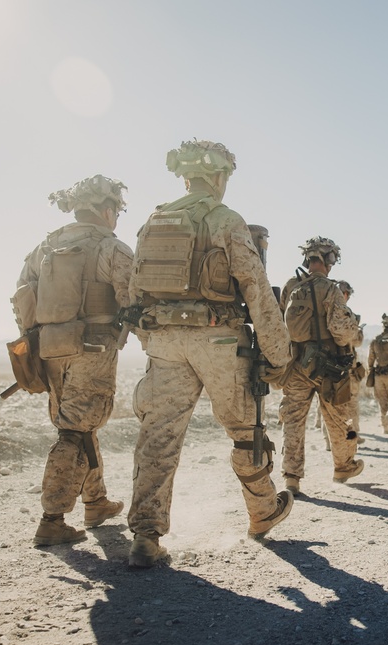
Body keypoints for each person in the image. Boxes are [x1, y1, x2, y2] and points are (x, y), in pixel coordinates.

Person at [126, 140, 293, 567]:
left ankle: (145, 535)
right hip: (218, 341)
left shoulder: (153, 220)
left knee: (158, 436)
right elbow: (255, 288)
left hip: (164, 342)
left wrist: (153, 340)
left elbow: (134, 292)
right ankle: (261, 512)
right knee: (243, 428)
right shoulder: (225, 220)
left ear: (186, 177)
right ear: (218, 178)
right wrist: (278, 353)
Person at [13, 175, 131, 546]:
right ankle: (52, 519)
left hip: (51, 351)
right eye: (117, 212)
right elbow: (133, 299)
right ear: (107, 209)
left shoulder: (45, 246)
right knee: (75, 431)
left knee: (79, 424)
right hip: (93, 351)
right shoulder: (112, 248)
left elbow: (21, 297)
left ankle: (95, 502)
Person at [279, 237, 364, 497]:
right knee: (338, 418)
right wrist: (354, 333)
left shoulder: (292, 286)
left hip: (297, 365)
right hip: (329, 366)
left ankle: (291, 478)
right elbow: (340, 331)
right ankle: (343, 467)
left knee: (293, 419)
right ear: (329, 259)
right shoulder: (331, 288)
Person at [319, 280, 365, 448]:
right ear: (344, 294)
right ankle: (352, 437)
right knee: (350, 405)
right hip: (345, 369)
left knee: (327, 406)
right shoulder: (344, 314)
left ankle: (329, 441)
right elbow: (356, 340)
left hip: (327, 366)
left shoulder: (322, 311)